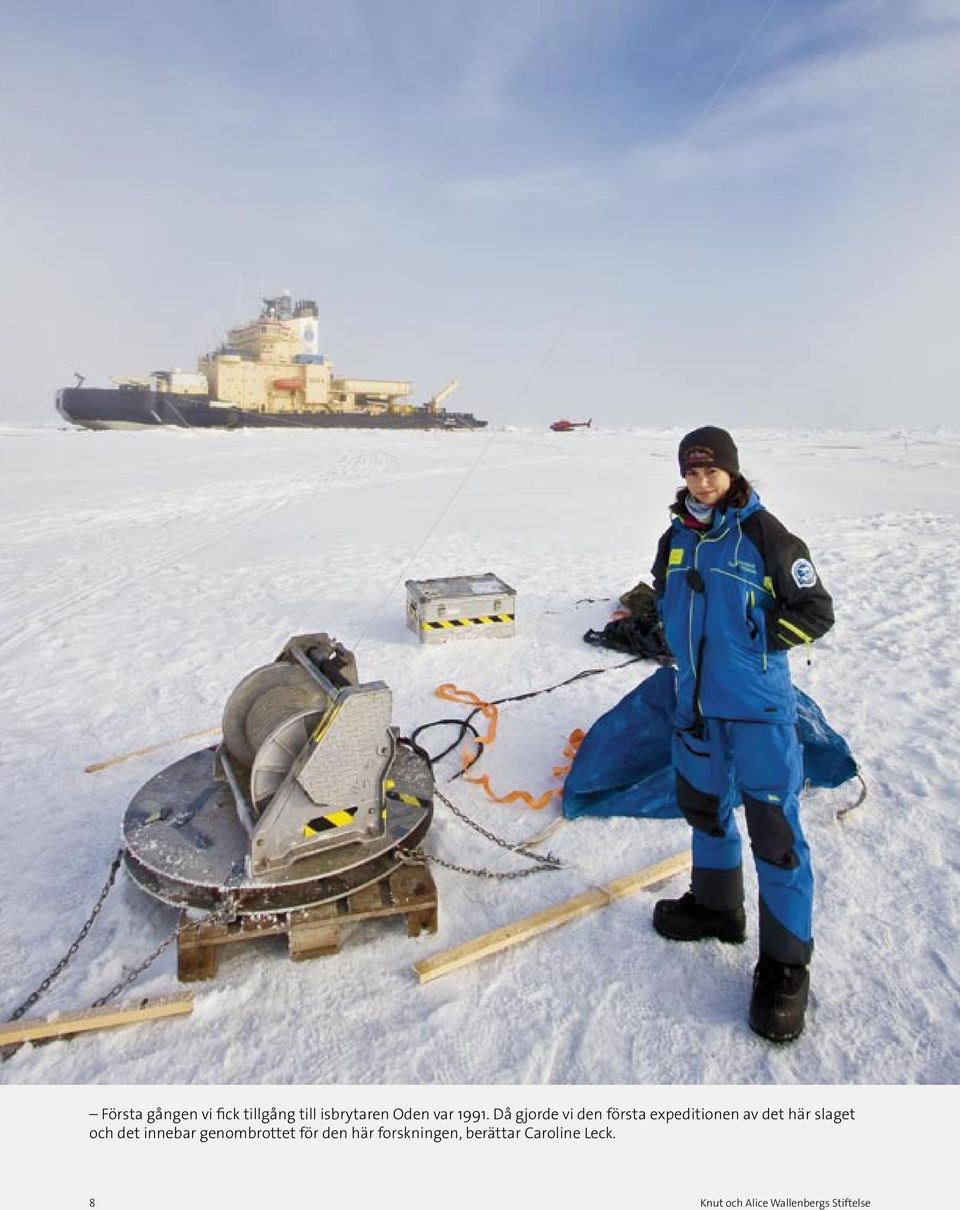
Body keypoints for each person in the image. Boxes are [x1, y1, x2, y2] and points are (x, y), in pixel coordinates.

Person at [650, 426, 834, 1042]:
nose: (703, 482)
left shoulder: (766, 535)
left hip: (756, 710)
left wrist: (758, 642)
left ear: (731, 471)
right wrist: (668, 637)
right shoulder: (676, 536)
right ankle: (717, 907)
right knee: (703, 809)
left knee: (775, 834)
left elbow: (815, 612)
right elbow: (664, 597)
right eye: (693, 473)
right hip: (696, 706)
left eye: (712, 472)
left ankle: (784, 966)